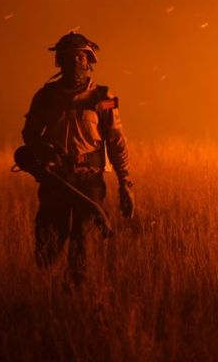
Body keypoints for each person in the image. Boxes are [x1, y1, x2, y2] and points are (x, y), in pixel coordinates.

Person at [21, 32, 135, 285]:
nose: (74, 63)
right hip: (56, 179)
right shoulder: (46, 96)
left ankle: (77, 292)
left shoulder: (103, 98)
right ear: (59, 62)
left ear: (89, 60)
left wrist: (125, 182)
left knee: (84, 243)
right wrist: (44, 152)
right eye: (68, 58)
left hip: (89, 180)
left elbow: (116, 140)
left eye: (80, 57)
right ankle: (45, 292)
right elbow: (29, 134)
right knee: (48, 242)